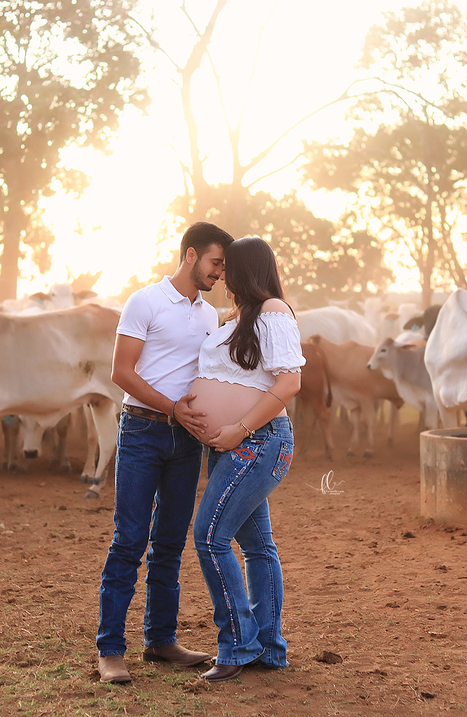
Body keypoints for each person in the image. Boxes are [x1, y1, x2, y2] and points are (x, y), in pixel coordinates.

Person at [96, 221, 235, 684]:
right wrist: (172, 407)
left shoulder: (209, 314)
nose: (220, 273)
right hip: (142, 430)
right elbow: (121, 372)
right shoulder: (145, 301)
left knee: (171, 542)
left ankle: (160, 639)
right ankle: (110, 650)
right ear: (191, 255)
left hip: (187, 439)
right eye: (216, 263)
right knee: (130, 539)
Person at [188, 236, 303, 683]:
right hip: (234, 445)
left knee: (209, 537)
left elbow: (289, 383)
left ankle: (238, 645)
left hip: (258, 441)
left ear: (245, 269)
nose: (221, 275)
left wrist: (239, 428)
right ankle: (269, 650)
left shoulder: (273, 310)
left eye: (227, 267)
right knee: (257, 547)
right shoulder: (239, 318)